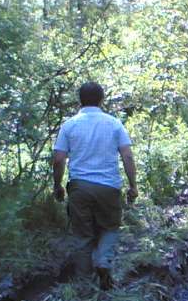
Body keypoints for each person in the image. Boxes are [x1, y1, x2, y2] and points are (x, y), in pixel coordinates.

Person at [52, 82, 137, 290]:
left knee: (82, 235)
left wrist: (58, 185)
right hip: (109, 187)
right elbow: (127, 155)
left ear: (79, 100)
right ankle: (103, 260)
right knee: (110, 227)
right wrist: (133, 185)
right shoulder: (114, 124)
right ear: (102, 99)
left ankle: (84, 283)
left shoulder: (70, 125)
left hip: (79, 187)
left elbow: (59, 159)